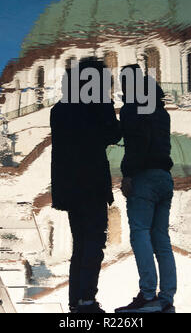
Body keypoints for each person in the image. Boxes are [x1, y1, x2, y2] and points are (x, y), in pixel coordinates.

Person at [50, 58, 121, 313]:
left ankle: (77, 301)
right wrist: (107, 103)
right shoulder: (95, 104)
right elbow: (113, 133)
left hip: (68, 188)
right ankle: (87, 300)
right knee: (93, 243)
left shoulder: (59, 109)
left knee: (80, 245)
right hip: (91, 184)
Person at [115, 64, 177, 314]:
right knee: (161, 239)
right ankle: (166, 298)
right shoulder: (161, 111)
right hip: (165, 177)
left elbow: (138, 143)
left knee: (140, 233)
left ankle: (148, 294)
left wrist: (128, 174)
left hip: (145, 177)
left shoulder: (134, 107)